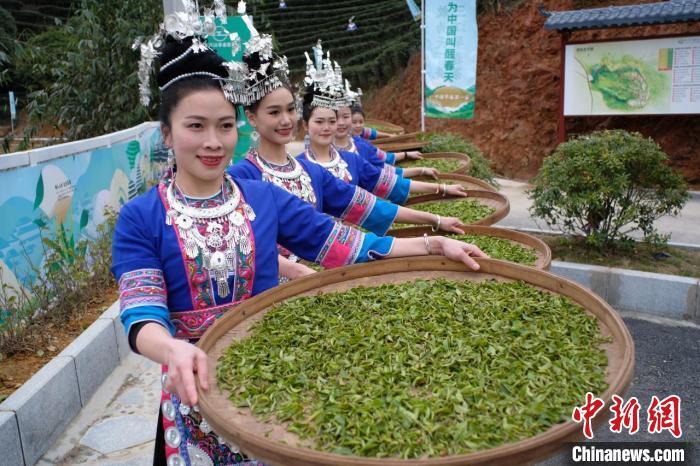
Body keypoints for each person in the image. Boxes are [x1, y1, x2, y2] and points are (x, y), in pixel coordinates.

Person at [114, 8, 487, 466]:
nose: (213, 141)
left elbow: (343, 242)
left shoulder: (261, 197)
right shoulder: (141, 217)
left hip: (268, 377)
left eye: (225, 126)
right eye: (196, 126)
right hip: (193, 389)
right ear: (166, 134)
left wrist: (432, 243)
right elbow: (142, 312)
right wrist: (170, 347)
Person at [230, 51, 463, 235]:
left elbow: (372, 205)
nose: (285, 120)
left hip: (326, 264)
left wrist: (436, 218)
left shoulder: (314, 171)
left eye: (290, 110)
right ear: (251, 118)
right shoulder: (239, 178)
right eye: (274, 112)